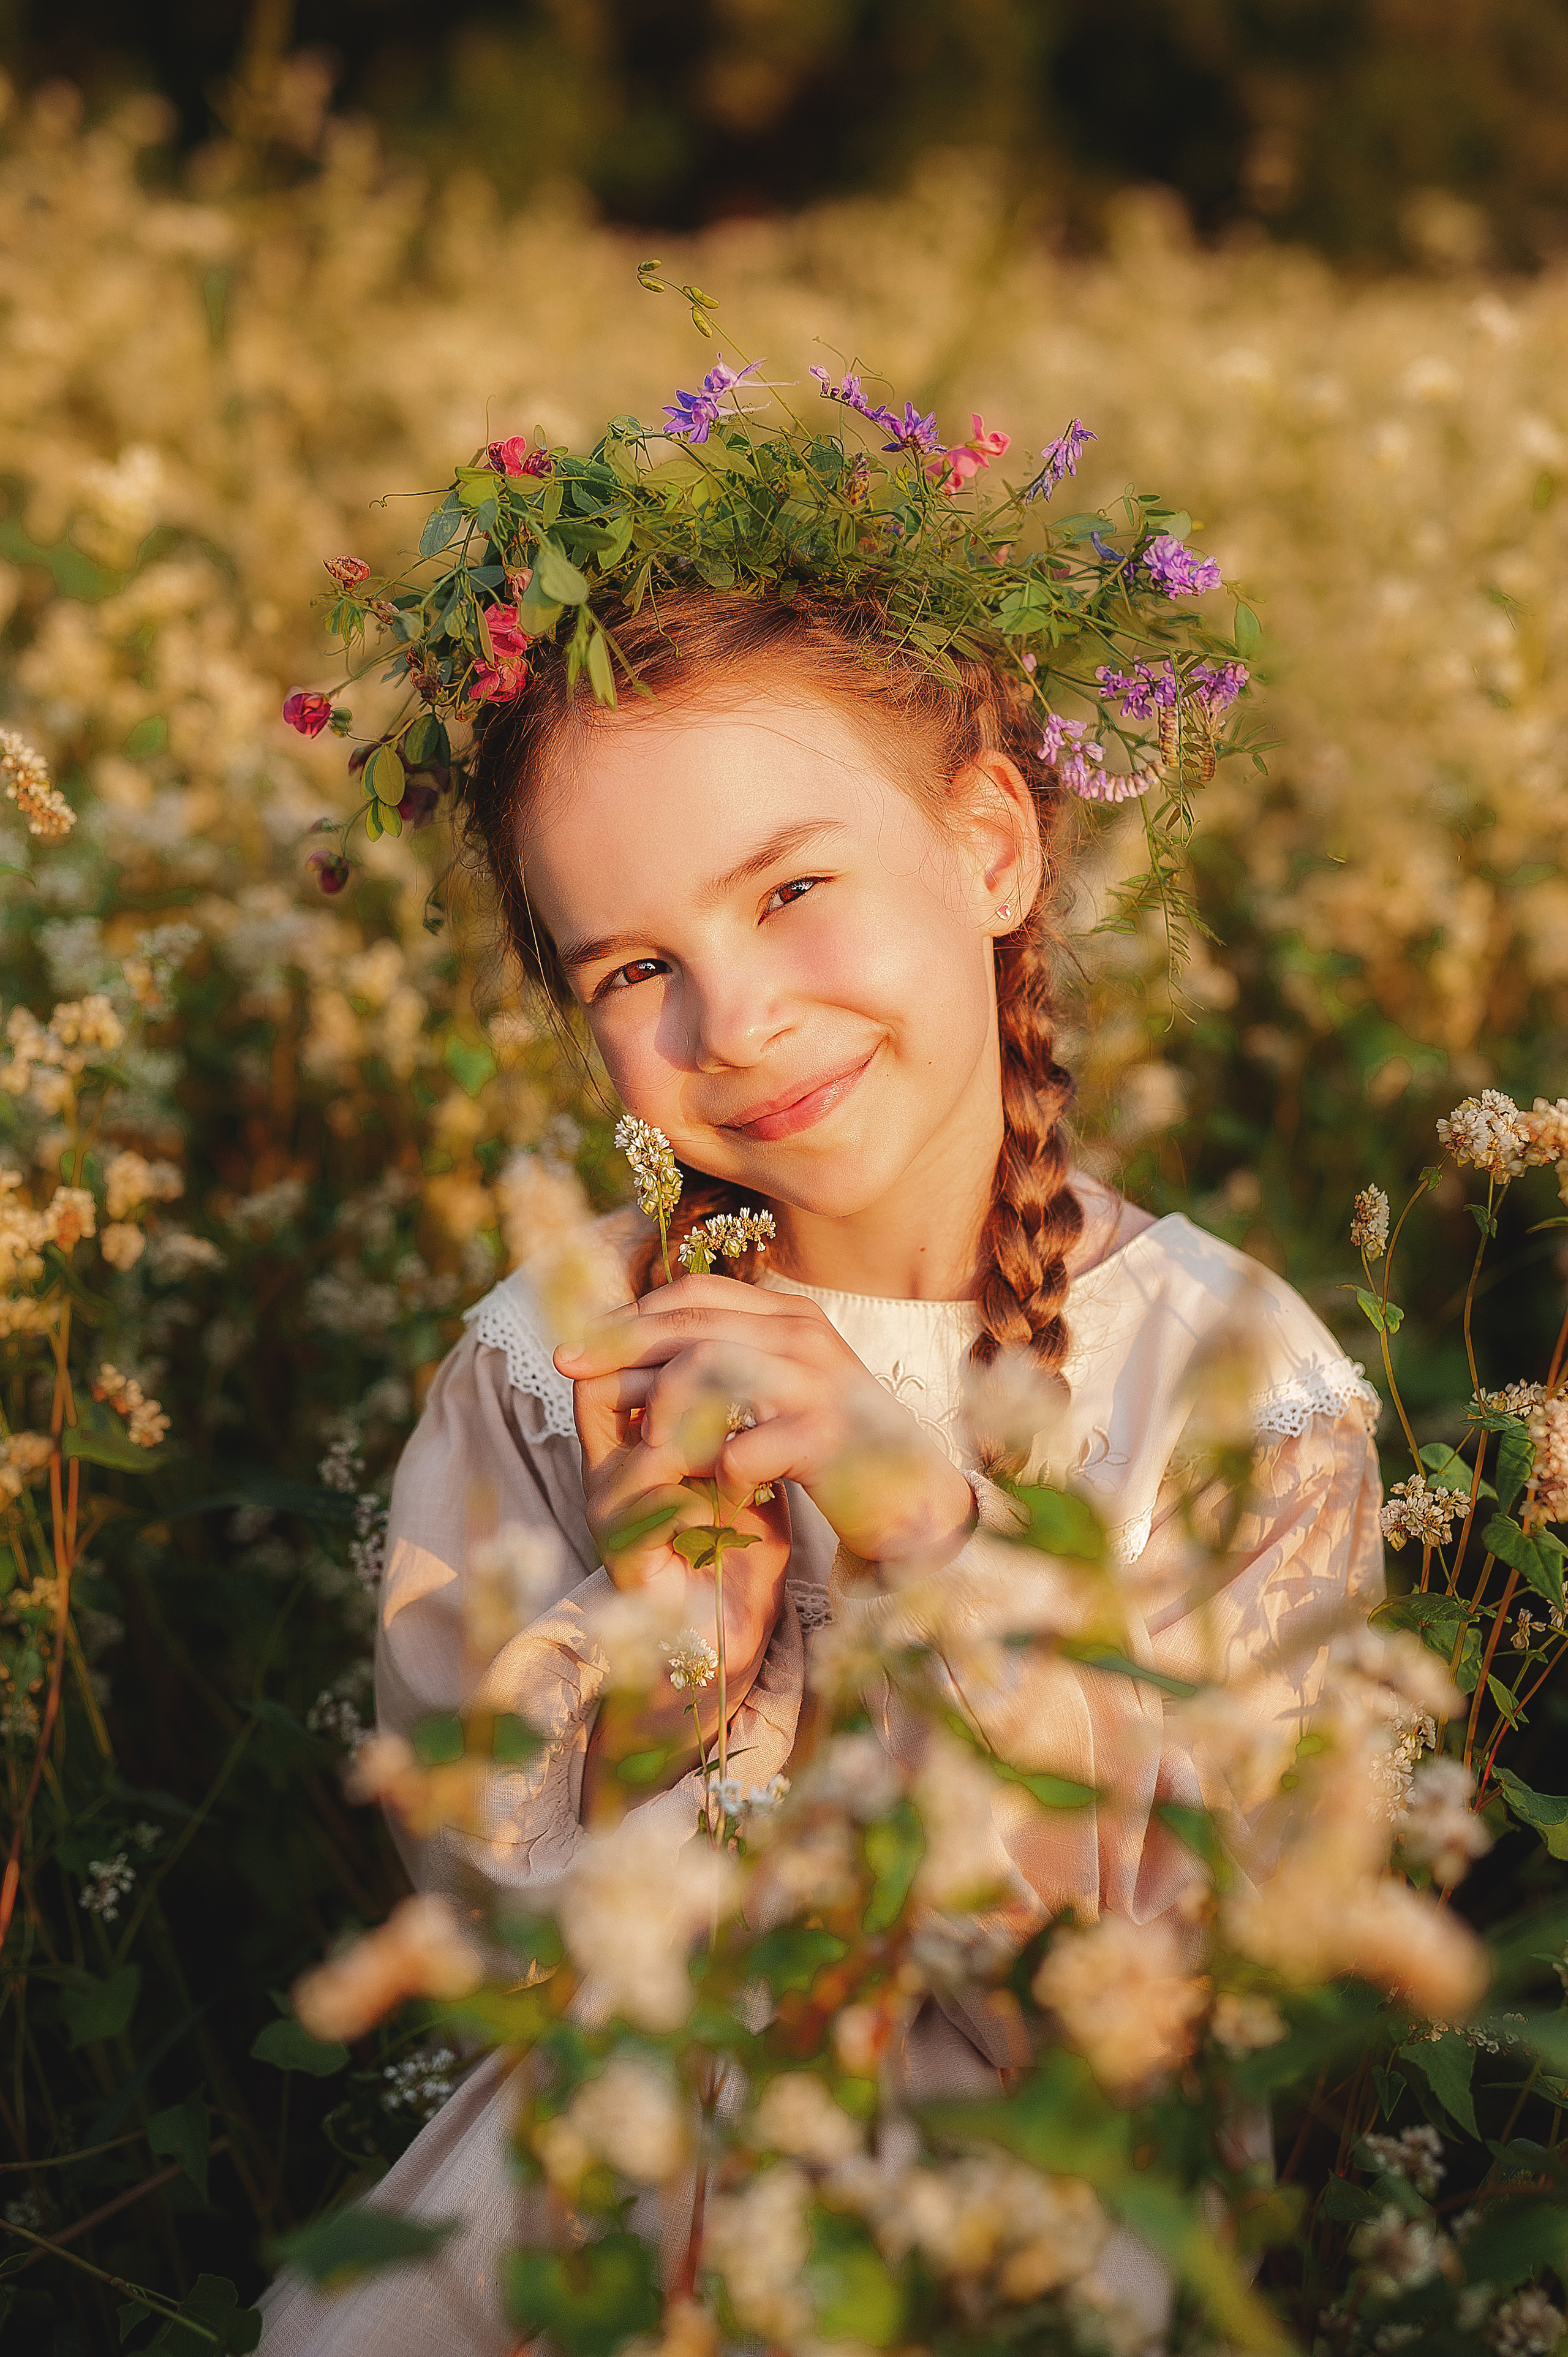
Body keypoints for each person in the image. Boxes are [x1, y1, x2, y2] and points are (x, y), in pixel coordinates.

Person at [258, 586, 1384, 2356]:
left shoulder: (1230, 1379)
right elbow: (481, 1927)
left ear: (990, 844)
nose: (740, 1018)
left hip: (1021, 2204)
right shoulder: (567, 1365)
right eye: (634, 969)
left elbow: (1210, 2011)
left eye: (791, 892)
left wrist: (937, 1541)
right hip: (598, 2194)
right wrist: (661, 1657)